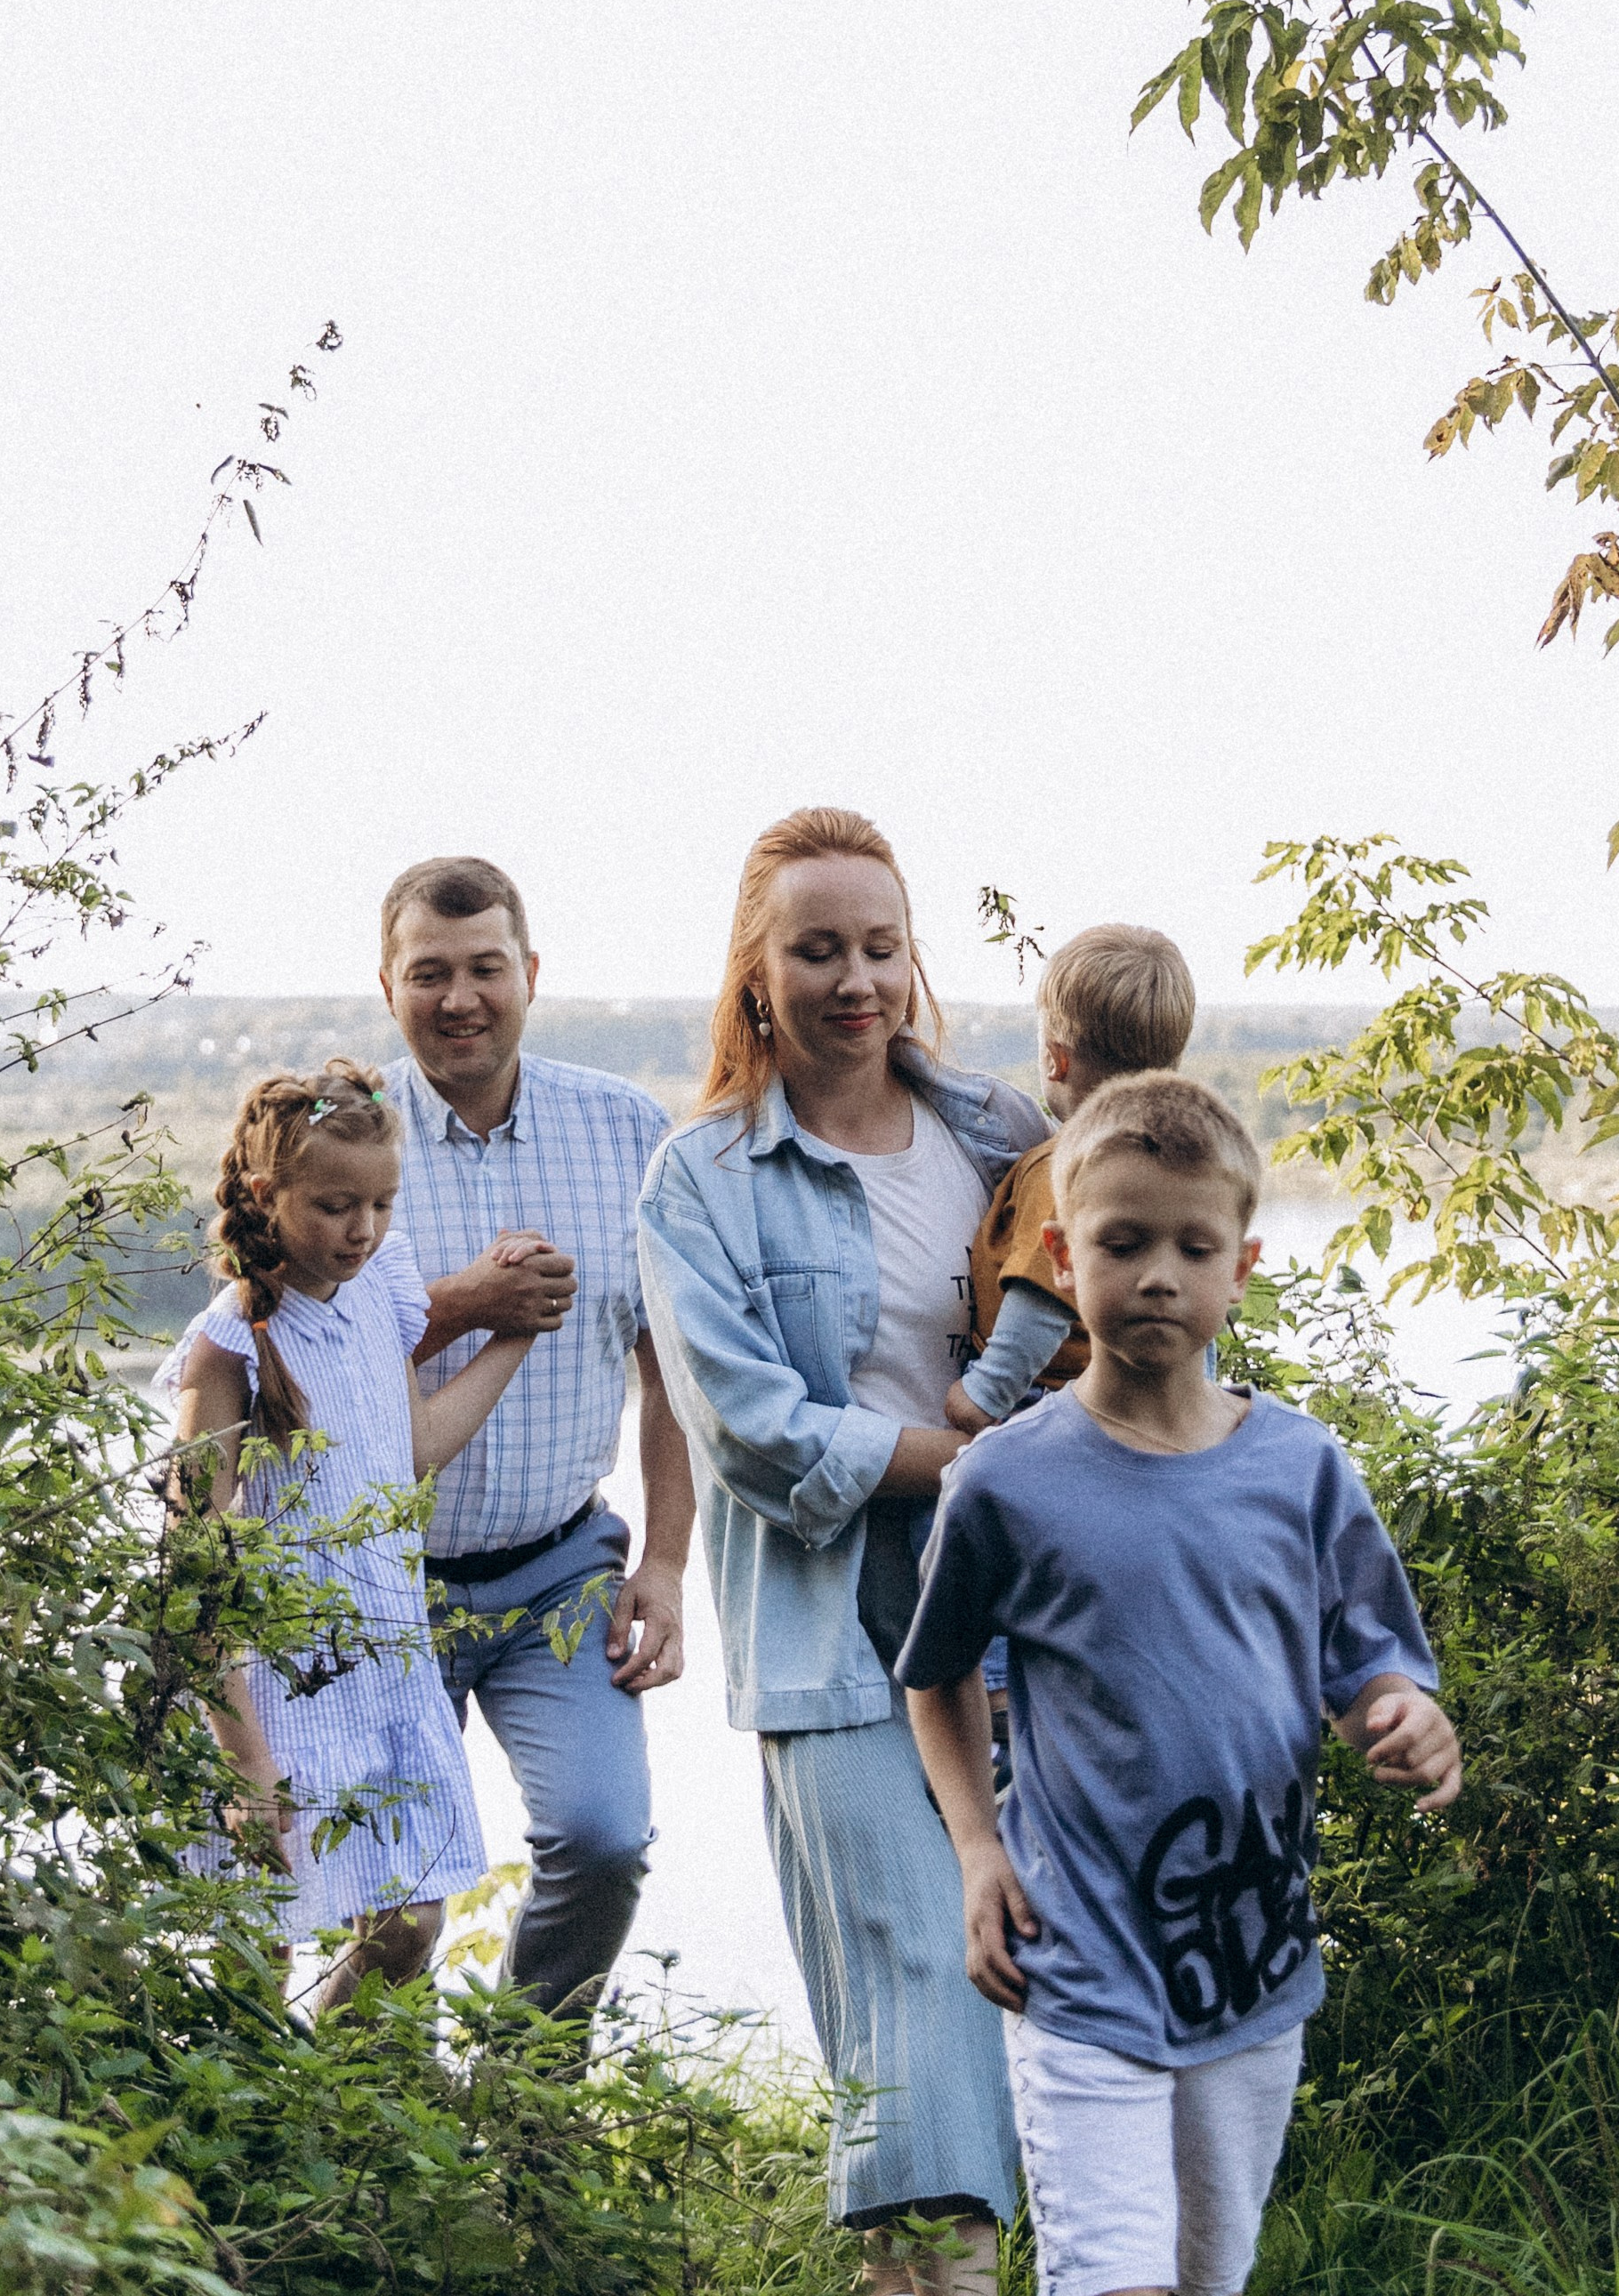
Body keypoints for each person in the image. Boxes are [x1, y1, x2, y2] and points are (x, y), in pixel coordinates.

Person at [900, 1072, 1462, 2296]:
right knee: (1117, 2279)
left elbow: (1369, 1660)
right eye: (1123, 1241)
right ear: (1060, 1253)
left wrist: (1405, 1714)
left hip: (1249, 1970)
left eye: (1192, 1246)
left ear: (1241, 1265)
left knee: (1208, 2277)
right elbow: (936, 1677)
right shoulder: (1005, 1482)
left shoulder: (1301, 1470)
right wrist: (979, 1853)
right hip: (1076, 1960)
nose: (1158, 1273)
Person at [637, 807, 1046, 2296]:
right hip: (836, 1646)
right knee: (924, 2020)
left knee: (1036, 2021)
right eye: (818, 947)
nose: (855, 977)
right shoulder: (702, 1180)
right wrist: (972, 1456)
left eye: (880, 943)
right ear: (758, 969)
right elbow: (755, 1435)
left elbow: (1124, 1289)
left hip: (1026, 1629)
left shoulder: (1002, 1133)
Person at [377, 853, 695, 2021]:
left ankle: (529, 2110)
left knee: (605, 1840)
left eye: (484, 969)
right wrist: (459, 1305)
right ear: (389, 983)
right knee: (396, 1905)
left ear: (530, 974)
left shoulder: (624, 1131)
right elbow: (282, 1359)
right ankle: (360, 2143)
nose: (459, 998)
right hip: (379, 1582)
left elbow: (670, 1372)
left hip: (559, 1568)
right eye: (430, 974)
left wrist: (662, 1561)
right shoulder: (345, 1136)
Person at [161, 1060, 536, 2014]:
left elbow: (408, 1453)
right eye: (333, 1206)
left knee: (410, 1925)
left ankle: (316, 2087)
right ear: (264, 1196)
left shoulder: (381, 1291)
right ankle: (249, 2132)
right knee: (257, 1947)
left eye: (379, 1203)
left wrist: (512, 1339)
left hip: (383, 1663)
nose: (361, 1230)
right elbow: (192, 1568)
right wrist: (244, 1764)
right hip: (275, 1685)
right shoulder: (232, 1345)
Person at [945, 922, 1196, 1435]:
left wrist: (983, 1395)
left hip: (1046, 1400)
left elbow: (1045, 1299)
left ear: (1056, 1060)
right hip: (1138, 1404)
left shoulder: (1067, 1167)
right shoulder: (1183, 1168)